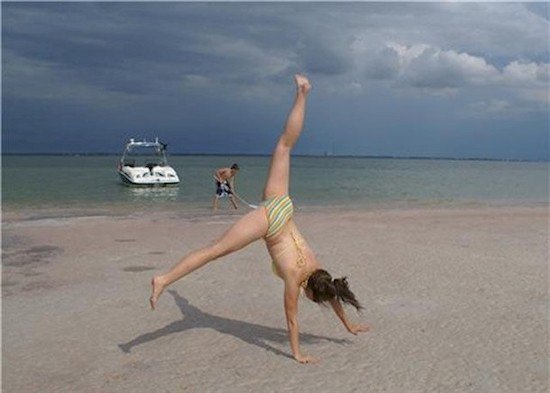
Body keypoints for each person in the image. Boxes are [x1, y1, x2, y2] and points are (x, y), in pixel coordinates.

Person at [150, 75, 369, 364]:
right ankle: (162, 279)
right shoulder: (295, 278)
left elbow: (333, 293)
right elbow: (292, 319)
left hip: (284, 207)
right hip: (270, 222)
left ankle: (303, 93)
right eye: (315, 299)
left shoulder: (319, 270)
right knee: (214, 251)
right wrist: (297, 353)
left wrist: (348, 325)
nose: (316, 300)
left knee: (285, 145)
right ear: (312, 291)